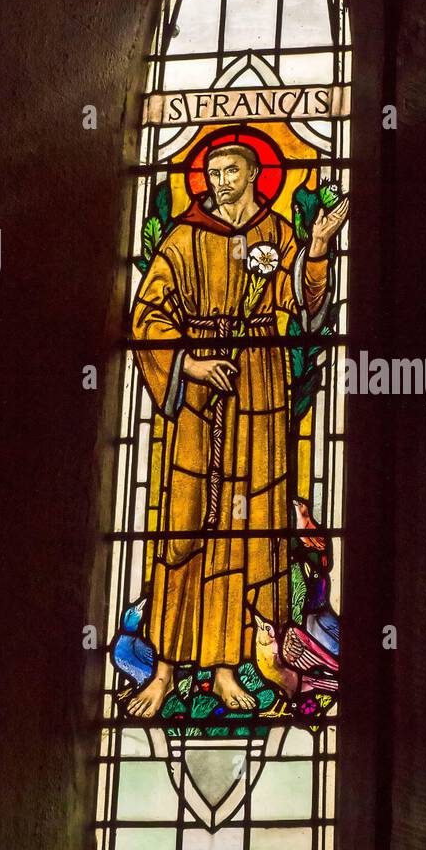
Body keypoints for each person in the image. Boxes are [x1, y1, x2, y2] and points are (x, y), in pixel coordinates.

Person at [127, 140, 348, 718]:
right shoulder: (182, 237)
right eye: (213, 172)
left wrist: (317, 251)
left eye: (231, 170)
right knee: (182, 526)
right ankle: (166, 670)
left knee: (240, 528)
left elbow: (306, 304)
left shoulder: (277, 234)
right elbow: (146, 316)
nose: (221, 180)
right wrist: (189, 364)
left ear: (255, 173)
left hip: (257, 392)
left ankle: (225, 669)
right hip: (198, 394)